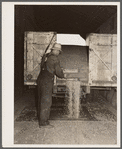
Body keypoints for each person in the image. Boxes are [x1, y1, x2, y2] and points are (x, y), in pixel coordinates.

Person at [37, 43, 65, 127]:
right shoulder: (54, 59)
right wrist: (63, 75)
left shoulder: (45, 56)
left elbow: (44, 66)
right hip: (47, 81)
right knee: (46, 101)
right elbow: (58, 72)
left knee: (41, 101)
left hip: (40, 79)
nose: (58, 53)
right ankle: (43, 123)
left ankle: (42, 120)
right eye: (58, 51)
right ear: (55, 50)